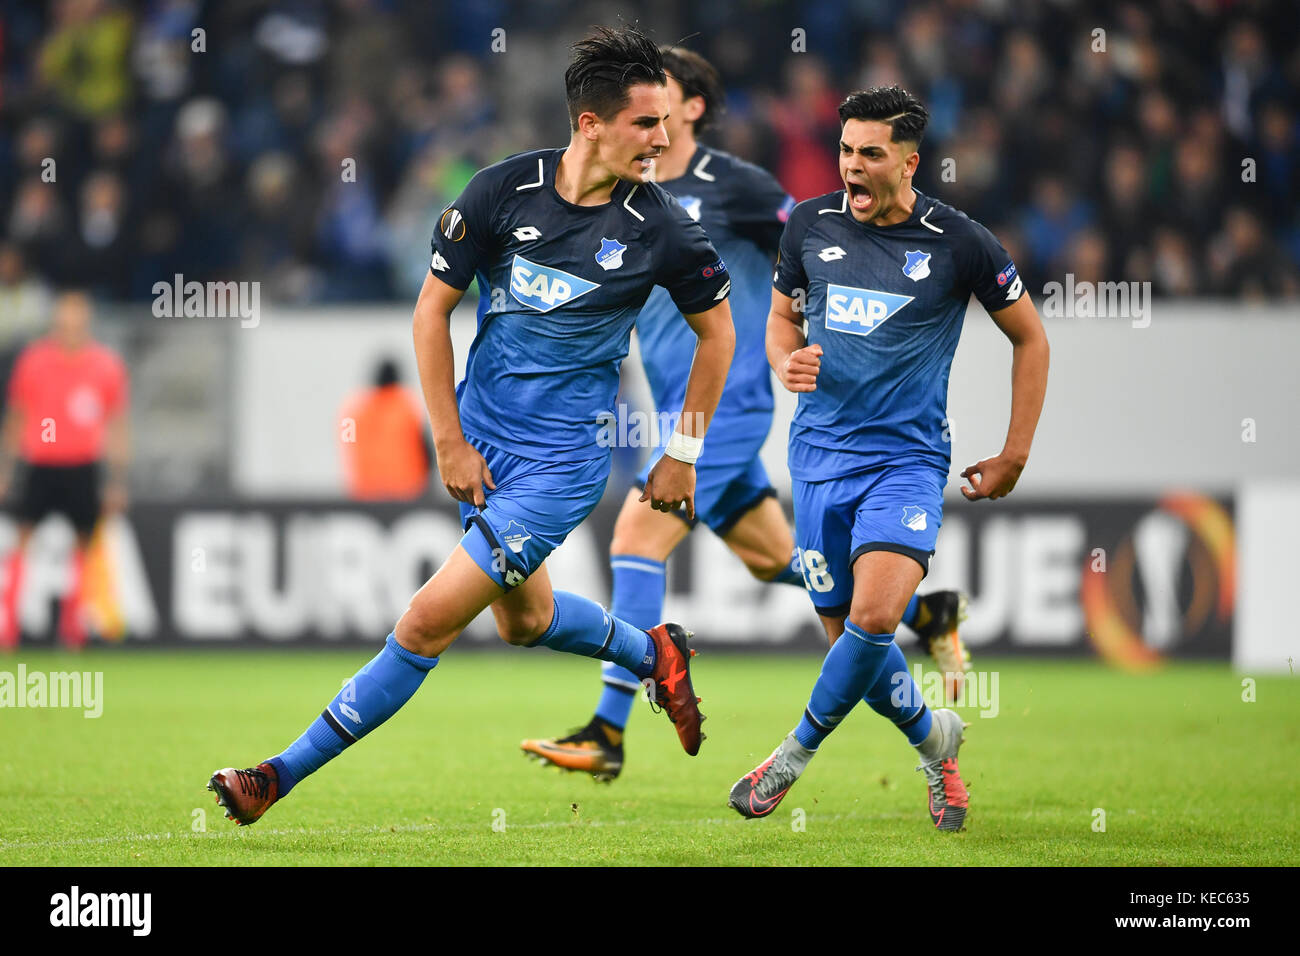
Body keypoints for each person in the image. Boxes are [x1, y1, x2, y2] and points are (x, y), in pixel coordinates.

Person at [206, 26, 736, 826]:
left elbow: (718, 332)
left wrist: (682, 454)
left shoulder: (660, 225)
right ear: (589, 124)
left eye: (667, 123)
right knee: (524, 622)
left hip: (562, 463)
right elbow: (430, 314)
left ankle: (274, 777)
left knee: (424, 623)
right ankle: (655, 651)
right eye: (646, 123)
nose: (664, 139)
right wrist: (450, 440)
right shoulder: (498, 192)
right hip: (483, 450)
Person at [520, 49, 972, 783]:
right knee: (776, 562)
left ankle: (609, 729)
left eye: (657, 97)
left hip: (726, 405)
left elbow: (823, 244)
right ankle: (927, 624)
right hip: (674, 409)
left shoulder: (736, 188)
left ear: (691, 107)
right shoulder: (624, 196)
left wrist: (829, 336)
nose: (646, 115)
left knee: (637, 535)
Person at [728, 87, 1049, 831]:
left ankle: (789, 758)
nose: (851, 166)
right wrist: (785, 360)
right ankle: (937, 744)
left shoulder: (961, 242)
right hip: (815, 460)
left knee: (873, 619)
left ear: (909, 162)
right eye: (845, 150)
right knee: (853, 647)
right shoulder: (808, 225)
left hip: (904, 460)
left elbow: (1030, 337)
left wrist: (1014, 452)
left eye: (870, 154)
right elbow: (781, 319)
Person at [0, 290, 130, 649]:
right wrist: (6, 468)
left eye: (77, 323)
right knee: (23, 540)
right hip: (40, 462)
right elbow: (17, 416)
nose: (70, 330)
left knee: (84, 545)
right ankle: (7, 628)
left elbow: (116, 424)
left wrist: (117, 479)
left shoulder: (105, 365)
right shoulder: (34, 361)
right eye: (64, 323)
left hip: (82, 465)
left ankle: (74, 631)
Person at [338, 357, 433, 501]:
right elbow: (427, 450)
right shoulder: (406, 405)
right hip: (407, 490)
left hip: (364, 490)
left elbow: (348, 447)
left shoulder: (356, 410)